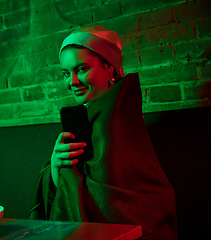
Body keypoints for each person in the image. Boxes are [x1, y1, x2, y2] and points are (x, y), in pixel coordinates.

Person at [29, 25, 177, 240]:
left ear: (109, 68)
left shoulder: (116, 121)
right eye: (65, 73)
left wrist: (65, 173)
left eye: (81, 69)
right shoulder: (99, 115)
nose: (72, 82)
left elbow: (115, 203)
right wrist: (56, 164)